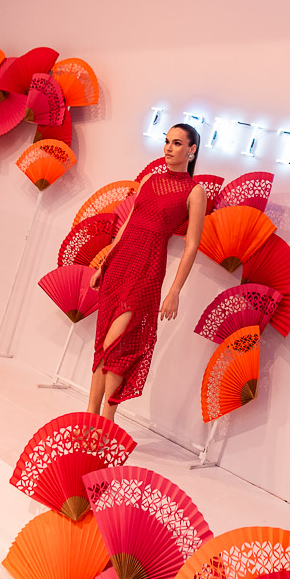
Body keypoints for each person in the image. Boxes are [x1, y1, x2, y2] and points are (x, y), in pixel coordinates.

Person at [86, 124, 207, 420]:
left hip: (147, 270)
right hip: (120, 264)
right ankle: (90, 416)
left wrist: (175, 291)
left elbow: (192, 246)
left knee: (116, 343)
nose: (169, 148)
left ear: (191, 150)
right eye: (167, 141)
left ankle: (106, 420)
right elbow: (128, 223)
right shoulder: (150, 180)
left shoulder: (195, 192)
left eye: (177, 143)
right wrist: (105, 262)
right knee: (103, 342)